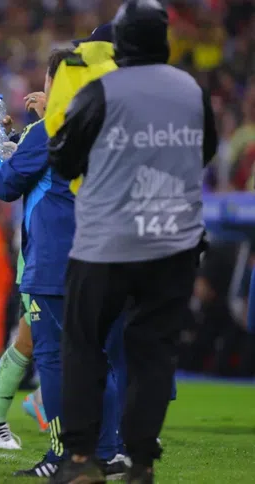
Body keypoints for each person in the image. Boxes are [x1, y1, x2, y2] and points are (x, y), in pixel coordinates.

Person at [47, 1, 217, 481]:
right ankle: (140, 462)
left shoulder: (102, 89)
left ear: (119, 41)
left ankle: (81, 459)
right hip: (174, 244)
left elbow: (63, 158)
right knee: (153, 352)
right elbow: (205, 150)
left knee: (83, 345)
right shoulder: (191, 90)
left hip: (108, 241)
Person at [0, 48, 125, 478]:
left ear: (59, 81)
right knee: (97, 357)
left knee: (53, 360)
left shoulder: (49, 127)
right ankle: (109, 452)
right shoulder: (108, 126)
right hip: (102, 255)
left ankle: (62, 455)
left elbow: (6, 185)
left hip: (54, 260)